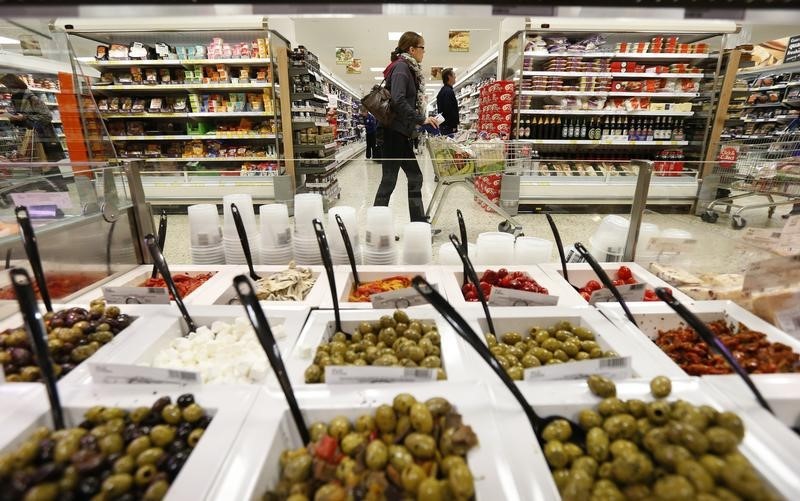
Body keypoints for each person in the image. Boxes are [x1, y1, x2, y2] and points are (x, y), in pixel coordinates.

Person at [373, 31, 439, 222]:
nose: (424, 52)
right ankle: (377, 228)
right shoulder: (402, 67)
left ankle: (418, 223)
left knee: (414, 177)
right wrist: (421, 119)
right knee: (389, 181)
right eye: (422, 48)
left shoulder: (406, 68)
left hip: (399, 132)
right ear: (412, 49)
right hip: (393, 132)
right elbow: (398, 100)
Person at [0, 73, 65, 162]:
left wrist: (24, 117)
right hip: (28, 137)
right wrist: (13, 118)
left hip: (42, 137)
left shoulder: (31, 98)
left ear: (13, 85)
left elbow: (47, 116)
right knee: (37, 165)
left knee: (50, 165)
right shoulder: (15, 98)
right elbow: (20, 116)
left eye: (7, 86)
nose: (7, 89)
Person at [436, 68, 459, 136]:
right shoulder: (448, 91)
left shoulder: (442, 91)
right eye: (454, 75)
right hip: (448, 127)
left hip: (444, 125)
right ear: (449, 76)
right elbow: (449, 110)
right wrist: (454, 125)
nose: (455, 77)